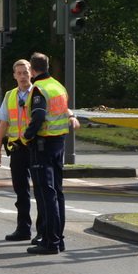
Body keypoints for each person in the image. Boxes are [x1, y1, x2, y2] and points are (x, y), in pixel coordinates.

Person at [23, 52, 80, 255]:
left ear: (32, 69)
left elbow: (38, 116)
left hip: (43, 144)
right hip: (58, 143)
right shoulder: (58, 86)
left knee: (46, 195)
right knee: (57, 193)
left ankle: (50, 241)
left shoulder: (39, 89)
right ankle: (59, 239)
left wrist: (27, 136)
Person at [0, 59, 38, 242]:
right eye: (18, 73)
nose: (22, 76)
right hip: (17, 148)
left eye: (25, 72)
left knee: (41, 190)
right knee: (21, 191)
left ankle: (42, 230)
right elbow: (3, 123)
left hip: (35, 147)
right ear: (14, 75)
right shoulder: (10, 95)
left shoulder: (37, 92)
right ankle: (23, 228)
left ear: (31, 73)